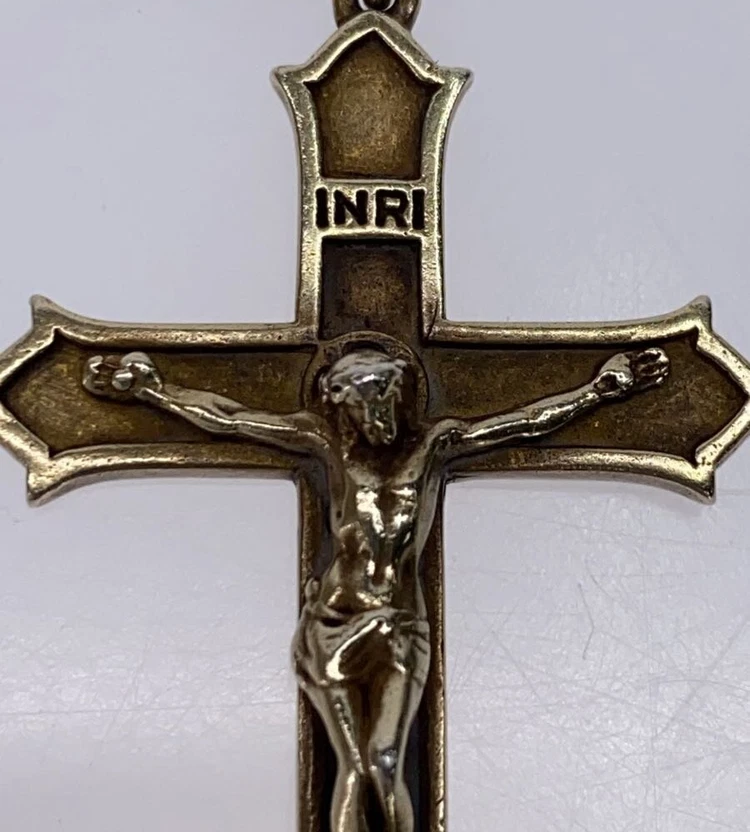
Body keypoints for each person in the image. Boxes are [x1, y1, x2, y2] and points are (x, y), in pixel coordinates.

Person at [84, 340, 669, 832]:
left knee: (386, 761)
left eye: (386, 397)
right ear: (342, 403)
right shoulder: (324, 446)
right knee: (354, 768)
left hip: (402, 625)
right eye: (366, 401)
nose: (379, 412)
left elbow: (524, 422)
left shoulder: (433, 446)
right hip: (333, 625)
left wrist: (599, 392)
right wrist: (154, 393)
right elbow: (232, 418)